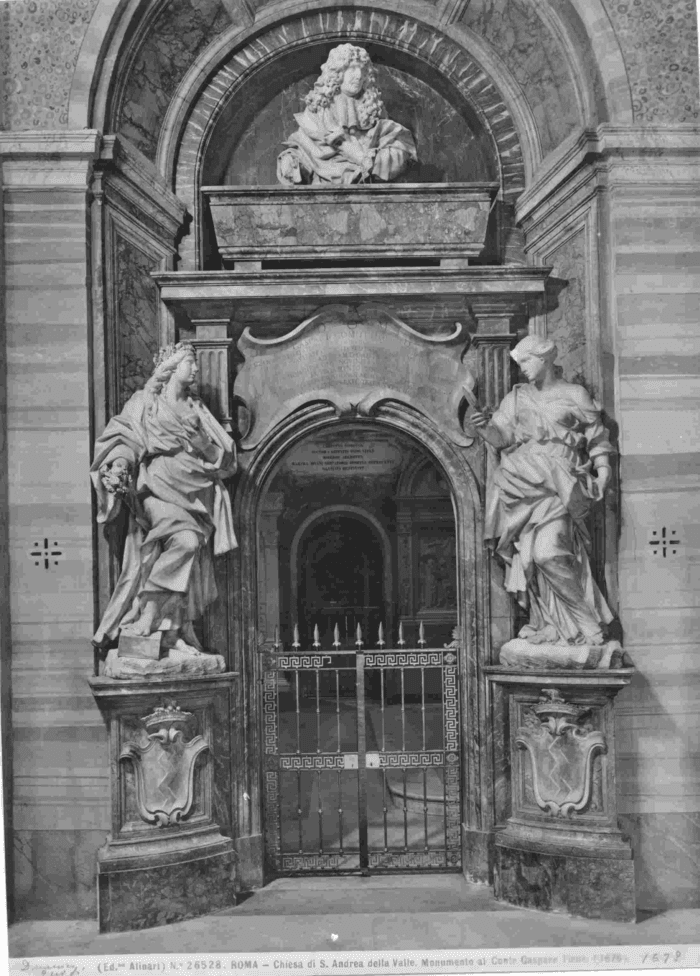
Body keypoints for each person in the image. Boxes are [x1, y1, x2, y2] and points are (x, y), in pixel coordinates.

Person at [91, 342, 237, 668]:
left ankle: (170, 635)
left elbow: (226, 460)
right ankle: (148, 614)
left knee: (190, 562)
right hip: (155, 490)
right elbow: (124, 437)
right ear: (171, 366)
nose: (196, 370)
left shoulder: (197, 408)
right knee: (184, 542)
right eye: (190, 362)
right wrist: (119, 464)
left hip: (195, 498)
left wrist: (205, 447)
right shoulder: (147, 401)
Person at [469, 335, 614, 648]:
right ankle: (550, 624)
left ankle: (588, 625)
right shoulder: (516, 397)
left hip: (562, 482)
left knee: (548, 552)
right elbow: (501, 437)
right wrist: (484, 426)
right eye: (518, 363)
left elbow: (596, 436)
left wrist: (603, 473)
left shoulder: (574, 394)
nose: (522, 369)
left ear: (545, 358)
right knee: (529, 559)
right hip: (522, 484)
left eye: (526, 361)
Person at [277, 44, 417, 185]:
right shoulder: (319, 113)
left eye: (362, 70)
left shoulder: (374, 111)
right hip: (323, 187)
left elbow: (399, 154)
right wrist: (292, 162)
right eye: (352, 68)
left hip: (369, 181)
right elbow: (305, 148)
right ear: (337, 72)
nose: (358, 75)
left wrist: (359, 155)